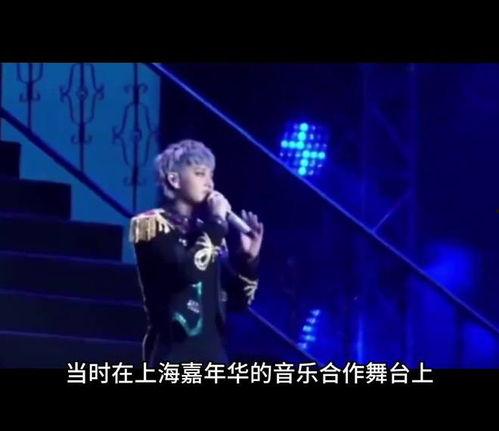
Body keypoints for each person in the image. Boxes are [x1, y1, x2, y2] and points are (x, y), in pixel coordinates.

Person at [129, 139, 264, 366]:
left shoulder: (209, 233)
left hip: (214, 359)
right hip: (174, 356)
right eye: (200, 174)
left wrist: (248, 260)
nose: (209, 183)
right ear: (174, 179)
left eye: (211, 175)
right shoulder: (151, 225)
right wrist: (217, 220)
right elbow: (187, 273)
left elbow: (238, 301)